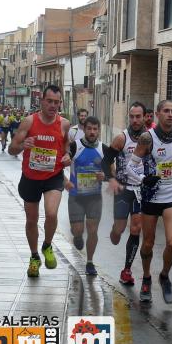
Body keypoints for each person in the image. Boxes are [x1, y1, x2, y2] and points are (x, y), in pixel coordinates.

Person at [126, 100, 172, 304]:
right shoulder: (147, 138)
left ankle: (164, 275)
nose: (170, 114)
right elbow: (131, 166)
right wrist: (143, 179)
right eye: (166, 111)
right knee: (148, 243)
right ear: (157, 114)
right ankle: (146, 277)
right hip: (152, 196)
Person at [8, 85, 72, 278]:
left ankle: (47, 245)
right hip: (31, 178)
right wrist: (22, 145)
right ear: (42, 101)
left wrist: (68, 155)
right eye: (50, 101)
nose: (53, 105)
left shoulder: (64, 124)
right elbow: (12, 148)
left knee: (52, 214)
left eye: (57, 102)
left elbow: (67, 146)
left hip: (53, 176)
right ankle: (34, 257)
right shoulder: (29, 122)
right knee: (31, 220)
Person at [101, 102, 146, 285]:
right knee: (118, 231)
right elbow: (105, 162)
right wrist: (110, 178)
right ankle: (115, 230)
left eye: (138, 116)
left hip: (140, 190)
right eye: (132, 116)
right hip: (123, 189)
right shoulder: (122, 138)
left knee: (136, 227)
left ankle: (126, 270)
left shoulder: (150, 138)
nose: (135, 120)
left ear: (144, 117)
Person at [64, 116, 108, 276]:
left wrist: (105, 176)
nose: (92, 132)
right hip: (76, 195)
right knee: (78, 230)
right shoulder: (75, 146)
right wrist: (66, 181)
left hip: (94, 197)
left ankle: (90, 262)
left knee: (92, 230)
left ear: (99, 130)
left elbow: (111, 171)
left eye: (95, 129)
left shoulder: (104, 148)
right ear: (84, 129)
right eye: (89, 128)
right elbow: (64, 161)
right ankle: (76, 234)